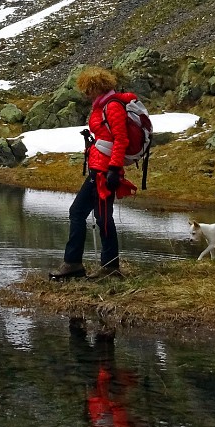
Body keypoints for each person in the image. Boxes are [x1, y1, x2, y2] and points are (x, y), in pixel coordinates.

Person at [50, 66, 131, 281]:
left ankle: (110, 267)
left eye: (87, 89)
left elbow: (121, 139)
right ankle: (73, 263)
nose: (85, 94)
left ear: (96, 87)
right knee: (77, 212)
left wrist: (114, 168)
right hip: (98, 167)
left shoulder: (112, 106)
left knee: (103, 218)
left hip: (105, 171)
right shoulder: (101, 106)